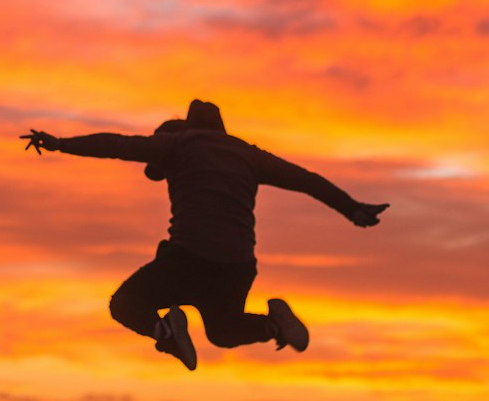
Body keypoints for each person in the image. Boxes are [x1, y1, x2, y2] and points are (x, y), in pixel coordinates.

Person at [21, 99, 388, 372]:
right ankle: (274, 322)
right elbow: (305, 180)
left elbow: (117, 145)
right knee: (223, 332)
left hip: (189, 258)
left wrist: (60, 144)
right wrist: (352, 208)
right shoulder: (248, 154)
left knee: (125, 303)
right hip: (237, 266)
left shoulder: (180, 143)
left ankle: (166, 331)